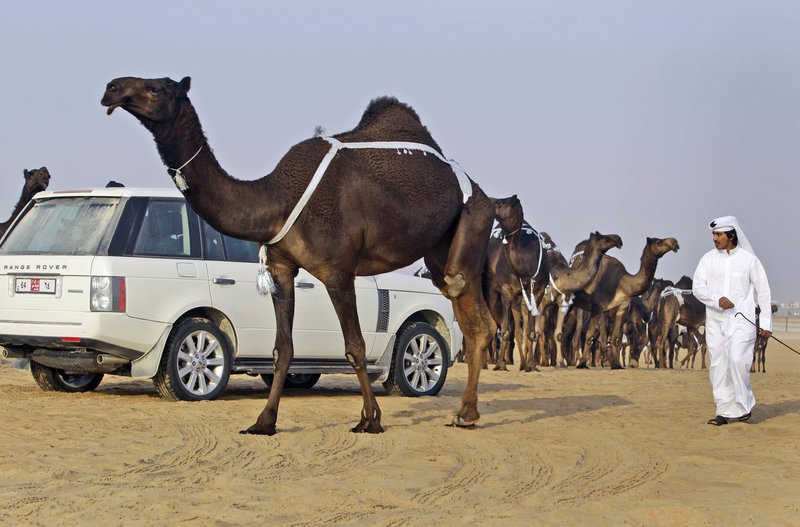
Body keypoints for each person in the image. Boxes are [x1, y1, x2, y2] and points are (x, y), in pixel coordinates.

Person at [692, 215, 772, 425]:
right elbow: (697, 287)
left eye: (718, 234)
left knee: (738, 360)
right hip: (716, 322)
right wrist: (717, 299)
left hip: (741, 322)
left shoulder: (749, 260)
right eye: (714, 235)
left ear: (731, 235)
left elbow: (763, 292)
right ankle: (723, 410)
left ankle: (743, 406)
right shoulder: (707, 259)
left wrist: (765, 323)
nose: (715, 239)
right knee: (718, 365)